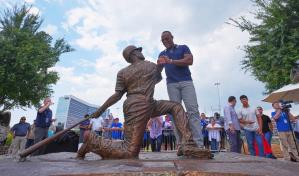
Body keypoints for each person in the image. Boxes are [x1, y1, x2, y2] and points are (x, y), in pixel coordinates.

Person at [77, 45, 211, 160]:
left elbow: (117, 95)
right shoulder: (150, 66)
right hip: (138, 107)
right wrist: (160, 67)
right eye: (138, 50)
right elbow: (157, 79)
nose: (141, 52)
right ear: (134, 53)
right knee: (129, 151)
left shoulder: (123, 72)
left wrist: (101, 110)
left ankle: (187, 143)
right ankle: (93, 142)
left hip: (147, 104)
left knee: (175, 107)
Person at [157, 31, 203, 149]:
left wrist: (171, 61)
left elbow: (190, 61)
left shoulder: (183, 47)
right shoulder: (162, 54)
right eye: (162, 40)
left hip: (186, 81)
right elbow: (158, 72)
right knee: (174, 114)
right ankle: (181, 144)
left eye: (167, 38)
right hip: (171, 84)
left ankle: (199, 144)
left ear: (172, 37)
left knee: (193, 110)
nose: (165, 41)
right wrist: (159, 66)